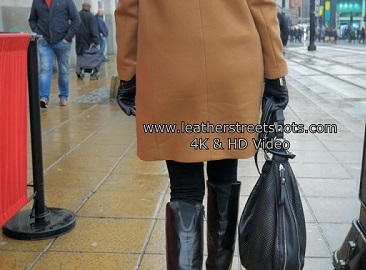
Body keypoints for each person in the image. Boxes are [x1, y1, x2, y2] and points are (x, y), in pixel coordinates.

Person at [115, 1, 288, 269]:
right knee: (225, 174)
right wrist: (276, 72)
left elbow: (129, 10)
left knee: (184, 188)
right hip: (232, 65)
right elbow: (262, 6)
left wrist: (127, 73)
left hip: (170, 65)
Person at [28, 0, 80, 108]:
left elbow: (76, 19)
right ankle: (43, 98)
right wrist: (39, 33)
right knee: (45, 69)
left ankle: (63, 96)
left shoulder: (66, 1)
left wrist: (67, 38)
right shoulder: (37, 1)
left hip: (62, 42)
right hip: (45, 41)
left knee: (64, 70)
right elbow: (32, 20)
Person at [75, 3, 100, 79]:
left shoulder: (77, 15)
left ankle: (79, 71)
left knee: (80, 54)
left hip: (79, 38)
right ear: (89, 8)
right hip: (89, 39)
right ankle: (93, 71)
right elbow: (94, 29)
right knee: (91, 55)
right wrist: (96, 41)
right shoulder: (91, 16)